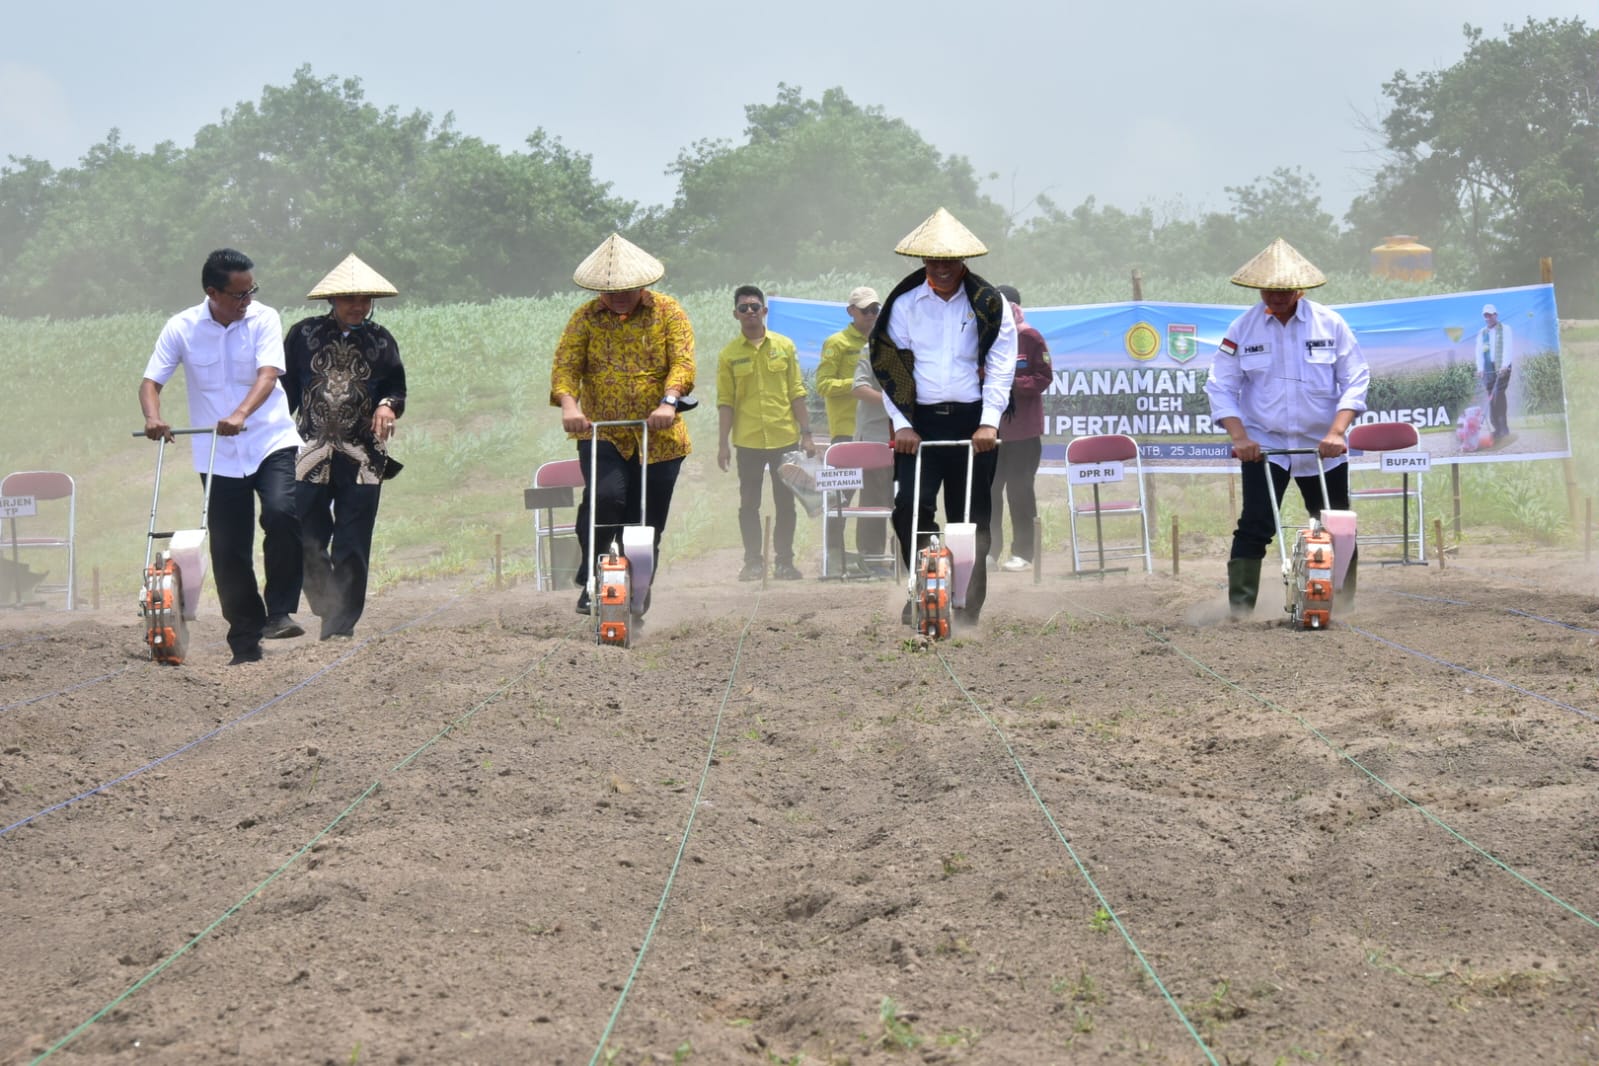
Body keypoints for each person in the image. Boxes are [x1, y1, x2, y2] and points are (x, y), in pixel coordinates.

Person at [139, 248, 305, 664]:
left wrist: (240, 414)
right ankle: (245, 643)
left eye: (251, 291)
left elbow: (269, 374)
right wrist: (153, 418)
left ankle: (280, 611)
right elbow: (151, 380)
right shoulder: (181, 328)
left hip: (270, 439)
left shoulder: (263, 318)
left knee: (283, 513)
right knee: (230, 550)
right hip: (217, 453)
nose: (247, 300)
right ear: (212, 292)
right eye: (239, 294)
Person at [1203, 238, 1371, 618]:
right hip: (1266, 446)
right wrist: (1240, 437)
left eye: (1283, 290)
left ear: (1300, 288)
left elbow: (1356, 378)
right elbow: (1221, 384)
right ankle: (1240, 612)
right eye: (1268, 290)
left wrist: (1338, 432)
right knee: (1256, 524)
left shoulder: (1330, 323)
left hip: (1321, 446)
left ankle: (1342, 606)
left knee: (1336, 523)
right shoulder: (1242, 329)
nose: (1275, 297)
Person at [870, 208, 1017, 624]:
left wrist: (989, 422)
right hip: (919, 423)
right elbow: (889, 367)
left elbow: (1003, 365)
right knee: (909, 508)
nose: (942, 268)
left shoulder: (990, 303)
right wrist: (902, 425)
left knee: (971, 521)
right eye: (934, 261)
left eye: (949, 261)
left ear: (963, 261)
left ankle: (967, 609)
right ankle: (928, 588)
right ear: (923, 262)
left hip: (973, 423)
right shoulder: (902, 303)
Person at [550, 233, 694, 617]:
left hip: (658, 435)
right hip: (602, 429)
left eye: (626, 289)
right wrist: (568, 404)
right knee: (605, 498)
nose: (618, 296)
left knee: (646, 520)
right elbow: (566, 366)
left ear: (642, 284)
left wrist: (669, 401)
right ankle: (593, 576)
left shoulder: (668, 312)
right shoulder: (585, 318)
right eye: (609, 290)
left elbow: (682, 362)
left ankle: (639, 585)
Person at [282, 254, 407, 641]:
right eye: (350, 299)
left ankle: (339, 629)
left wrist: (388, 405)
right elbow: (283, 392)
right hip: (309, 450)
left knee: (353, 544)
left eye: (365, 300)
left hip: (364, 455)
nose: (359, 306)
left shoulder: (382, 340)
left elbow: (396, 387)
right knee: (305, 537)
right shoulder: (302, 336)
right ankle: (327, 604)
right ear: (332, 300)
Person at [716, 285, 816, 581]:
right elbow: (725, 402)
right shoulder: (729, 355)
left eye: (755, 307)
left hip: (783, 437)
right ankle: (752, 563)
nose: (750, 312)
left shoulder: (784, 346)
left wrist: (807, 434)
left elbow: (797, 392)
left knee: (786, 502)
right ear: (735, 314)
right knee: (749, 503)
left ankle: (784, 562)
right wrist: (722, 444)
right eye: (744, 308)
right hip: (747, 442)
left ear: (765, 311)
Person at [817, 286, 880, 576]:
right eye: (865, 310)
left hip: (874, 433)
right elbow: (824, 384)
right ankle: (834, 556)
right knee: (841, 498)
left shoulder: (884, 343)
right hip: (845, 433)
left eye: (874, 310)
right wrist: (857, 386)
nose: (870, 315)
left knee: (876, 497)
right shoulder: (837, 342)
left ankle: (872, 556)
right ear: (850, 311)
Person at [990, 284, 1053, 572]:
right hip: (991, 432)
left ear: (1014, 307)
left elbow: (1043, 377)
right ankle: (990, 551)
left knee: (1019, 492)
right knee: (989, 492)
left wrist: (1013, 383)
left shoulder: (1028, 336)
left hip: (1023, 432)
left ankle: (1024, 553)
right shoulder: (986, 338)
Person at [1477, 303, 1514, 444]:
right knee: (1490, 398)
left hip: (1502, 367)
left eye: (1490, 315)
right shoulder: (1482, 333)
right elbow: (1479, 352)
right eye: (1485, 315)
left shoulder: (1505, 329)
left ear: (1495, 315)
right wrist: (1480, 368)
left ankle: (1503, 427)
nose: (1488, 317)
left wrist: (1505, 365)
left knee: (1498, 395)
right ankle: (1497, 428)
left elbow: (1508, 348)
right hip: (1488, 369)